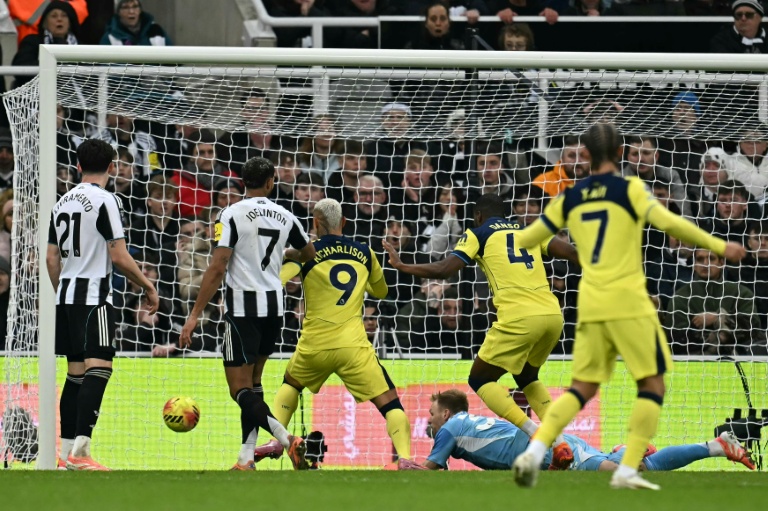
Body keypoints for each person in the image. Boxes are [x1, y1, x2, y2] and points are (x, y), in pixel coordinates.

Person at [510, 123, 746, 490]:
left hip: (590, 302)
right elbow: (671, 223)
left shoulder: (570, 197)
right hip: (629, 299)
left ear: (584, 155)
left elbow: (526, 239)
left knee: (581, 389)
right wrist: (720, 246)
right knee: (651, 384)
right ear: (621, 153)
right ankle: (627, 469)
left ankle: (535, 450)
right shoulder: (630, 189)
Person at [384, 193, 580, 468]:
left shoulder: (478, 233)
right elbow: (572, 253)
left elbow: (444, 269)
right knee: (526, 376)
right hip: (552, 316)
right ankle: (561, 444)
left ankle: (539, 435)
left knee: (480, 379)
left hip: (518, 318)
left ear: (478, 216)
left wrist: (404, 266)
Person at [253, 198, 413, 465]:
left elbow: (274, 281)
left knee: (291, 383)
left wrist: (284, 256)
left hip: (314, 344)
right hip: (354, 347)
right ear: (345, 222)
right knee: (390, 404)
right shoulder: (365, 252)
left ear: (315, 224)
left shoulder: (307, 253)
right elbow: (382, 292)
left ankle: (275, 440)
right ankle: (406, 459)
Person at [179, 156, 316, 470]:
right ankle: (245, 459)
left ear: (242, 182)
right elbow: (309, 254)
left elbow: (217, 265)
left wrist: (195, 314)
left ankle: (285, 438)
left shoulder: (230, 214)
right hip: (274, 308)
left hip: (243, 309)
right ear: (270, 182)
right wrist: (288, 252)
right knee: (254, 384)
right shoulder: (286, 216)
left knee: (238, 389)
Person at [45, 138, 160, 470]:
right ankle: (81, 452)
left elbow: (52, 257)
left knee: (76, 373)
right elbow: (118, 254)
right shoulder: (106, 200)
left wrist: (62, 290)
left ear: (78, 166)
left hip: (66, 295)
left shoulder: (62, 202)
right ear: (113, 166)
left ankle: (65, 454)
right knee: (100, 368)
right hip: (94, 295)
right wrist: (148, 285)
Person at [412, 389, 755, 472]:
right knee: (637, 468)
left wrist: (402, 464)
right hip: (548, 447)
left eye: (430, 414)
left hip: (549, 452)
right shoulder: (463, 425)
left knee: (624, 471)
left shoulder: (450, 429)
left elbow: (429, 471)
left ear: (445, 412)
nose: (427, 421)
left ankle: (716, 445)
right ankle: (715, 446)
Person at [12, 1, 81, 88]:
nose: (59, 19)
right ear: (45, 22)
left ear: (70, 22)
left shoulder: (81, 46)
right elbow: (20, 70)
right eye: (54, 16)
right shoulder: (32, 42)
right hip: (37, 96)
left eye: (64, 15)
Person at [100, 0, 172, 46]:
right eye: (125, 7)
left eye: (135, 6)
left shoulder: (155, 30)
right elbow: (105, 67)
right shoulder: (110, 37)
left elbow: (173, 61)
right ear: (118, 12)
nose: (131, 11)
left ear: (140, 10)